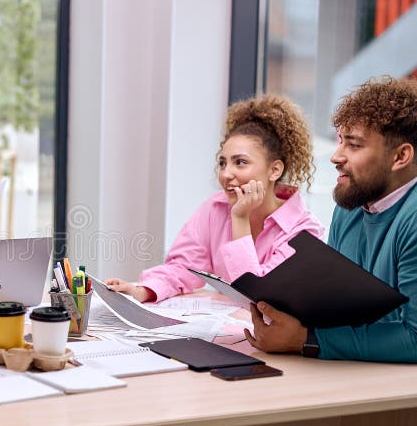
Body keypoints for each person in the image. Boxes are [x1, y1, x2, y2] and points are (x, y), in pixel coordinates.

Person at [247, 76, 417, 362]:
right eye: (340, 142)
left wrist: (304, 340)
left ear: (400, 156)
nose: (336, 157)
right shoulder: (350, 205)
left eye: (354, 145)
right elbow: (335, 306)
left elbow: (415, 337)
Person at [106, 95, 324, 302]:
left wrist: (240, 218)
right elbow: (183, 266)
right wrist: (140, 291)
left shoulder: (305, 232)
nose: (226, 174)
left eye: (240, 162)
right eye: (222, 163)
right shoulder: (216, 208)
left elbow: (257, 295)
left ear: (274, 170)